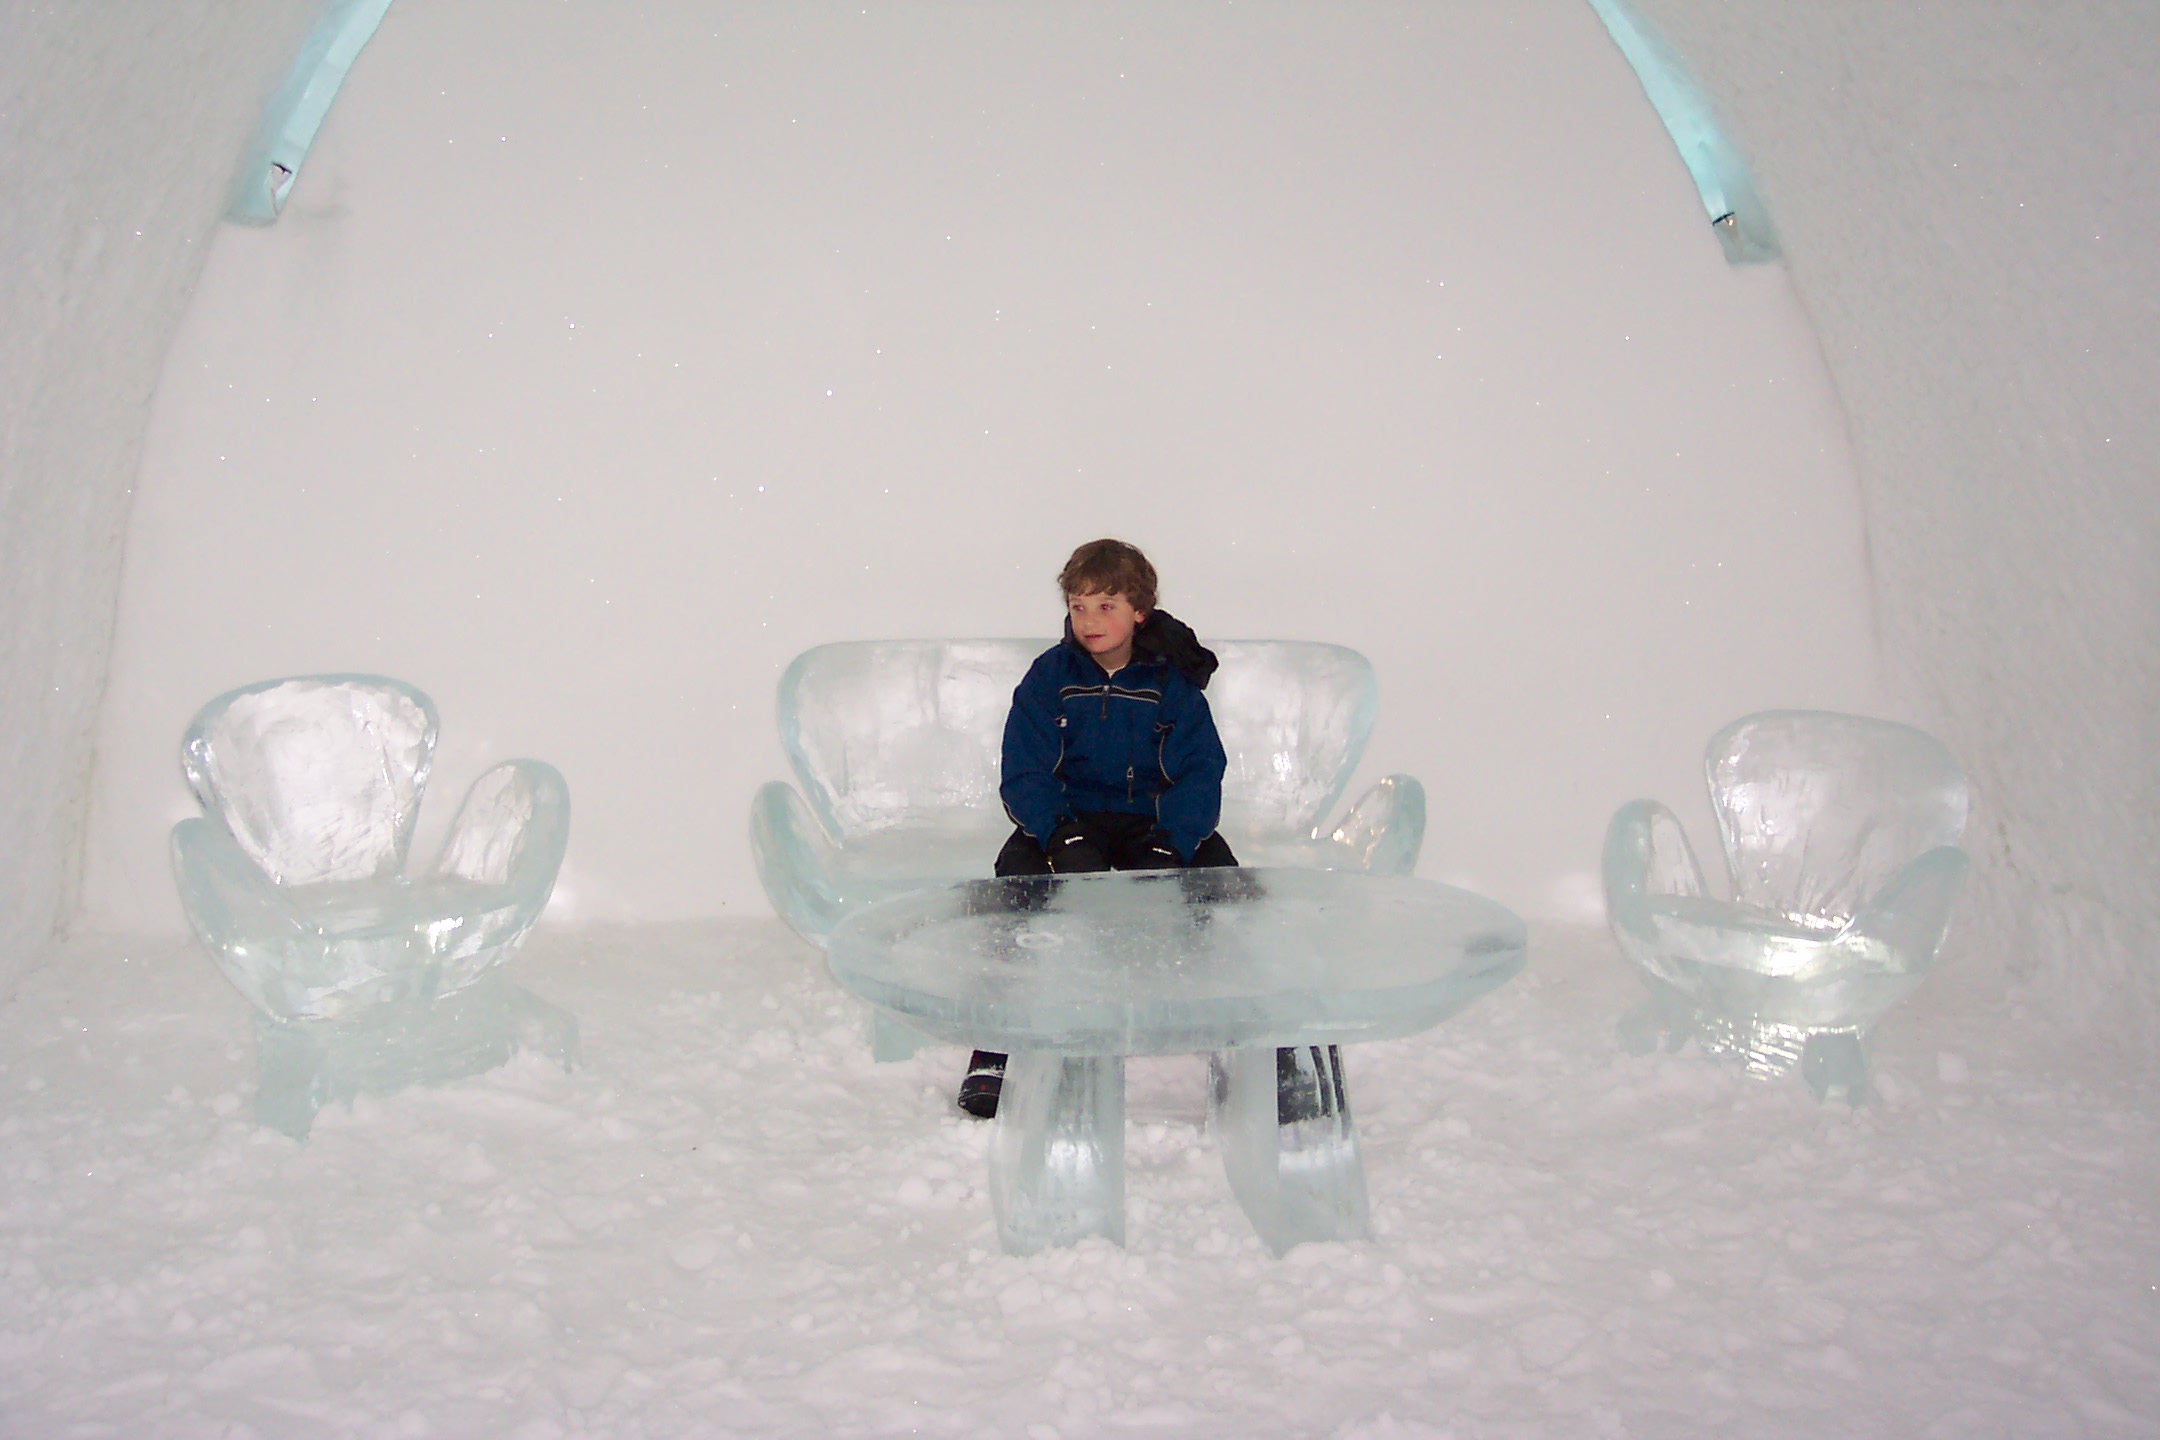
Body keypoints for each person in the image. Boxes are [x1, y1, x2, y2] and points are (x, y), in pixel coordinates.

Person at [956, 538, 1236, 1117]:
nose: (1089, 620)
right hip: (1070, 822)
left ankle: (1243, 1044)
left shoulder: (1171, 682)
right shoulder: (1050, 676)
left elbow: (1201, 771)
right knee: (1015, 893)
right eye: (1078, 606)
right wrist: (1058, 832)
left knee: (1224, 895)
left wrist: (1173, 841)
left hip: (1153, 825)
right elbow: (1023, 769)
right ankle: (996, 1047)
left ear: (1140, 611)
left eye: (1106, 606)